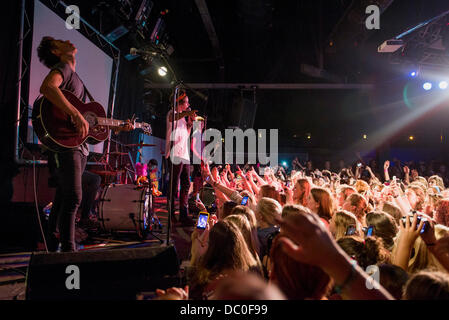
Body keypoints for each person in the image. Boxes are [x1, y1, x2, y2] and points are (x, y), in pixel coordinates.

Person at [37, 37, 133, 251]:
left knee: (65, 196)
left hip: (77, 147)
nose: (67, 40)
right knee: (73, 197)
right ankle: (68, 251)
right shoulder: (64, 68)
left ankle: (53, 247)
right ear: (55, 50)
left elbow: (92, 126)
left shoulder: (75, 77)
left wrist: (117, 127)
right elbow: (47, 87)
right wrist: (76, 115)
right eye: (60, 41)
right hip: (66, 146)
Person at [165, 89, 197, 226]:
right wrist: (187, 113)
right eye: (187, 102)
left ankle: (184, 214)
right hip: (175, 153)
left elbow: (186, 135)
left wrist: (190, 123)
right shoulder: (172, 114)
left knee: (185, 184)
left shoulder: (183, 118)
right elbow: (173, 118)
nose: (188, 104)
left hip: (184, 154)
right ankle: (171, 214)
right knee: (174, 185)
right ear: (180, 102)